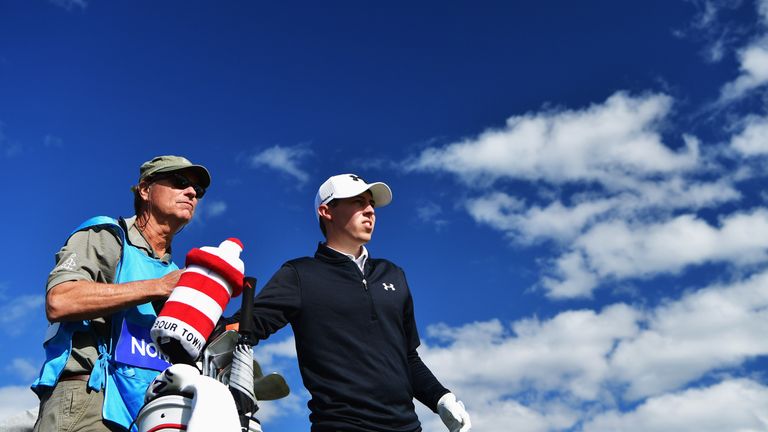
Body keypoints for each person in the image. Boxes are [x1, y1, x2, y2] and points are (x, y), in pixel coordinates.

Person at [227, 173, 471, 432]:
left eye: (371, 204)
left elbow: (407, 357)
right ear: (326, 211)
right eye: (357, 202)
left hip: (408, 427)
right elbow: (242, 329)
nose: (369, 211)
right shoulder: (300, 274)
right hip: (340, 425)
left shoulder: (393, 274)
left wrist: (441, 398)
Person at [31, 155, 211, 432]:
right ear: (144, 189)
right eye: (180, 182)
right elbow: (61, 300)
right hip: (90, 403)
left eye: (197, 191)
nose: (191, 193)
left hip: (148, 414)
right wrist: (158, 287)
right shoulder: (108, 236)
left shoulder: (178, 274)